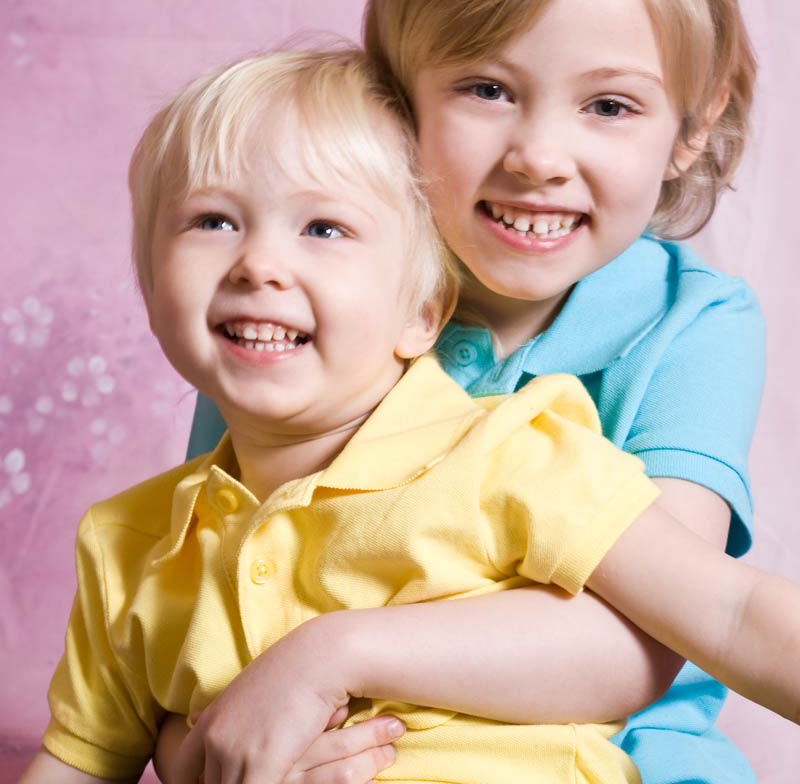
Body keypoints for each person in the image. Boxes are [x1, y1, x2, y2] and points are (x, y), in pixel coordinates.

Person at [19, 49, 800, 784]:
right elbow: (81, 760)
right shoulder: (127, 545)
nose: (259, 264)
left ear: (424, 314)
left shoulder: (510, 452)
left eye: (324, 229)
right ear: (150, 286)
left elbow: (731, 611)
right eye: (213, 221)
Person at [179, 0, 766, 784]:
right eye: (487, 88)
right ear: (394, 100)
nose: (539, 157)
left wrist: (336, 652)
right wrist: (213, 748)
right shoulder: (296, 297)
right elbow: (199, 611)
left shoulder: (691, 328)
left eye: (609, 105)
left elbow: (649, 636)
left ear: (693, 126)